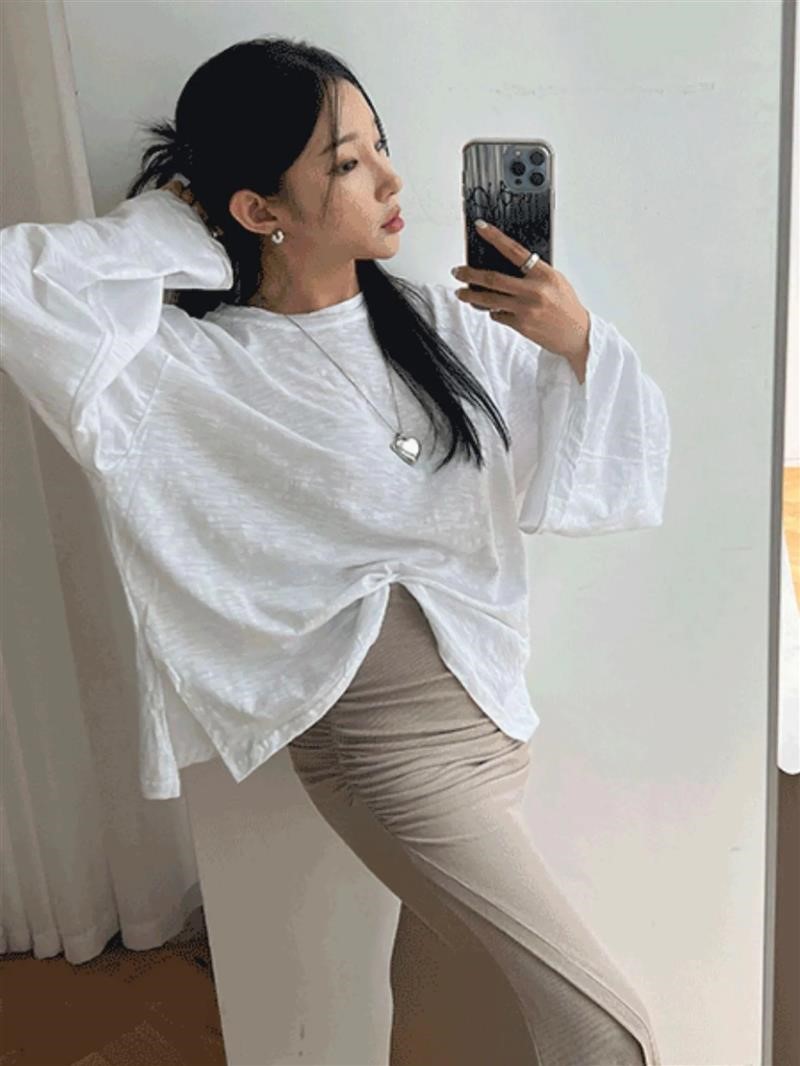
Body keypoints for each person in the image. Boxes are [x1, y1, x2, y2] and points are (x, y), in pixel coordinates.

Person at [1, 34, 670, 1065]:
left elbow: (592, 474)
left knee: (457, 1022)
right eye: (347, 163)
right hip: (382, 753)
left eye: (379, 145)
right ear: (257, 207)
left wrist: (577, 341)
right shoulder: (175, 368)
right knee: (605, 1035)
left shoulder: (443, 325)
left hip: (493, 718)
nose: (392, 181)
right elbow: (18, 283)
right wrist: (181, 219)